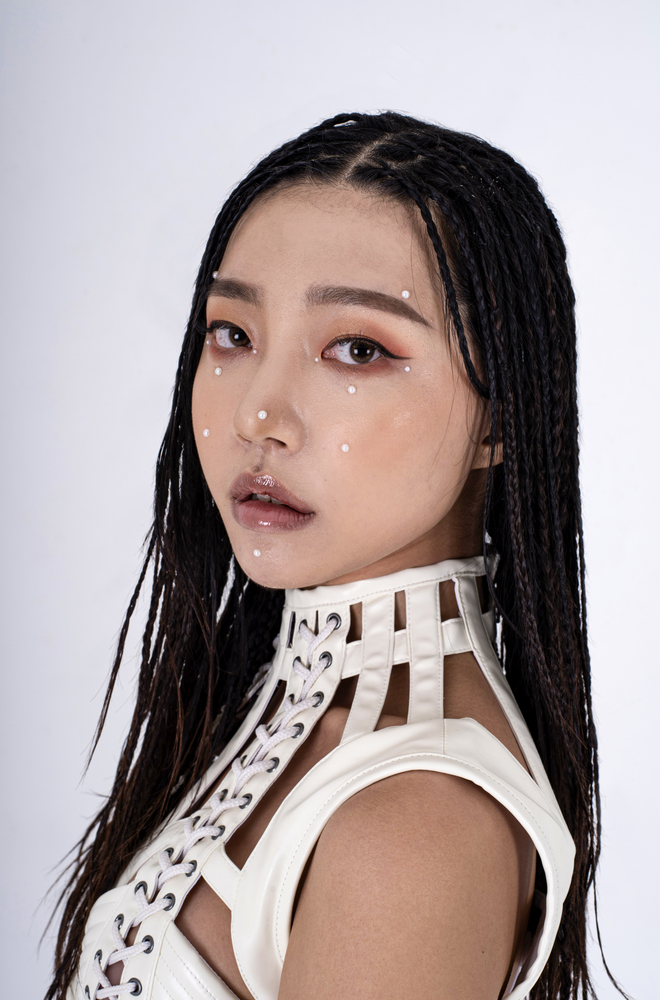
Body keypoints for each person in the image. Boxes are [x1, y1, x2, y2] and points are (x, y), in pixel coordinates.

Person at [47, 111, 607, 1000]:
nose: (257, 416)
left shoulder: (414, 827)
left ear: (498, 418)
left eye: (357, 349)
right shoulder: (281, 709)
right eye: (233, 334)